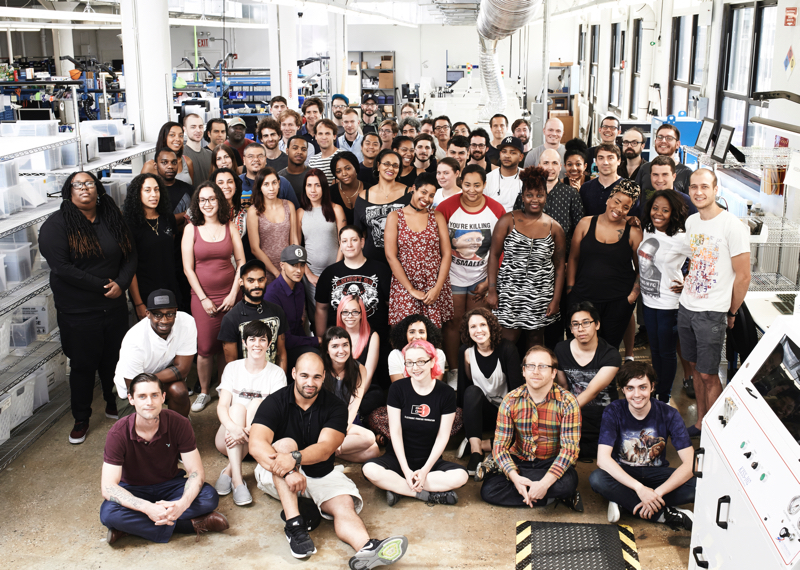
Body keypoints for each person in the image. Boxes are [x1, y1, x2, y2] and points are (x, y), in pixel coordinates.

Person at [249, 352, 408, 566]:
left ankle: (367, 548)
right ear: (294, 374)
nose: (310, 383)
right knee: (285, 444)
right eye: (304, 376)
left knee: (344, 505)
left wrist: (296, 458)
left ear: (324, 377)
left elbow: (325, 449)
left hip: (320, 470)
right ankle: (295, 524)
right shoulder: (275, 401)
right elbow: (256, 445)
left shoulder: (335, 407)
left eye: (316, 377)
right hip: (275, 473)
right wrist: (288, 469)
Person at [40, 171, 136, 444]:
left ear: (98, 189)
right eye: (78, 184)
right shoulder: (56, 226)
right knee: (82, 366)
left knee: (114, 359)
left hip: (114, 305)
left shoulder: (112, 218)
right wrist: (103, 286)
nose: (85, 188)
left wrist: (122, 283)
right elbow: (62, 268)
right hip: (78, 311)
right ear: (69, 191)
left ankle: (112, 401)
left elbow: (131, 254)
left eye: (90, 183)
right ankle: (81, 417)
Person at [100, 374, 229, 545]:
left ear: (163, 397)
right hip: (134, 489)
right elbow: (108, 487)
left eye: (154, 395)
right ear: (131, 399)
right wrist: (147, 508)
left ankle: (128, 528)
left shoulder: (179, 423)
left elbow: (196, 472)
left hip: (170, 485)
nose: (149, 402)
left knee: (208, 496)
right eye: (142, 396)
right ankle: (190, 526)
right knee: (109, 513)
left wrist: (182, 504)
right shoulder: (118, 433)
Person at [679, 169, 750, 437]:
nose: (698, 192)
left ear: (716, 188)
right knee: (696, 368)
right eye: (694, 187)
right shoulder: (692, 222)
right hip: (687, 307)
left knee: (709, 374)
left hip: (712, 312)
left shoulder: (732, 226)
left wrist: (731, 311)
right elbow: (694, 260)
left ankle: (717, 430)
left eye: (704, 187)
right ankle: (701, 422)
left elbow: (743, 276)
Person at [589, 361, 695, 530]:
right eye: (630, 388)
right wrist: (639, 489)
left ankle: (625, 502)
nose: (637, 394)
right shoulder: (613, 410)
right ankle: (662, 514)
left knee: (697, 486)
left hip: (656, 474)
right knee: (597, 478)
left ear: (652, 387)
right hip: (625, 473)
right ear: (623, 389)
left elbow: (691, 463)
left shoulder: (669, 414)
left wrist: (656, 493)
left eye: (642, 387)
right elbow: (602, 460)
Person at [363, 339, 469, 506]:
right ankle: (424, 494)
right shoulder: (397, 389)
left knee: (461, 476)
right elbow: (395, 432)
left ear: (432, 361)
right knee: (369, 469)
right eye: (410, 363)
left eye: (421, 361)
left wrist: (425, 470)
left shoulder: (446, 393)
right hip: (398, 460)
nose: (415, 368)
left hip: (430, 463)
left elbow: (443, 436)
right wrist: (405, 470)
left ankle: (396, 488)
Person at [479, 345, 582, 512]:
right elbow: (499, 446)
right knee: (488, 491)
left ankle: (543, 491)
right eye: (531, 366)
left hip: (551, 463)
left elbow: (569, 450)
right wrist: (515, 477)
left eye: (543, 366)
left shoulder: (568, 402)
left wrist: (544, 483)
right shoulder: (510, 400)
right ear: (524, 372)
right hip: (521, 461)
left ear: (553, 373)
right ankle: (549, 497)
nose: (536, 371)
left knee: (568, 482)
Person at [182, 181, 246, 412]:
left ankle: (224, 388)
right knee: (206, 347)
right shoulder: (191, 228)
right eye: (202, 200)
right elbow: (188, 268)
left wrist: (233, 294)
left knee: (227, 344)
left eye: (212, 199)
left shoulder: (229, 226)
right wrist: (203, 298)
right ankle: (203, 392)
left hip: (230, 296)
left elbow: (241, 262)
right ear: (197, 204)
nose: (207, 204)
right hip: (203, 297)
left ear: (219, 201)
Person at [436, 165, 505, 376]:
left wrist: (490, 282)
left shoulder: (496, 209)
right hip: (453, 276)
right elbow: (438, 243)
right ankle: (455, 372)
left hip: (482, 277)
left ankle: (475, 371)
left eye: (477, 185)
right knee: (453, 324)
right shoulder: (446, 207)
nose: (472, 190)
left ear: (485, 185)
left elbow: (500, 249)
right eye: (467, 185)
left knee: (477, 323)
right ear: (460, 183)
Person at [488, 167, 565, 349]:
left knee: (536, 341)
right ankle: (506, 377)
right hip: (509, 293)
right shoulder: (507, 221)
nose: (534, 200)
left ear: (546, 197)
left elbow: (560, 267)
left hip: (540, 295)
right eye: (529, 195)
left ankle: (531, 376)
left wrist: (555, 300)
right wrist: (492, 290)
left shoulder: (555, 228)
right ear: (522, 197)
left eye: (539, 195)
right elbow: (494, 256)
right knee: (506, 342)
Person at [215, 320, 287, 506]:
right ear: (244, 342)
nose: (257, 344)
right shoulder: (232, 368)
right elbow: (222, 406)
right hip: (229, 439)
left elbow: (277, 414)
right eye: (252, 339)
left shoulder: (277, 373)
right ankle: (238, 480)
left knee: (258, 404)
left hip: (259, 441)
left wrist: (248, 431)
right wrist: (235, 429)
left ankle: (231, 474)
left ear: (269, 344)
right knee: (237, 408)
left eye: (262, 340)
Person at [567, 179, 643, 350]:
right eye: (616, 201)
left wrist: (630, 298)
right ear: (608, 199)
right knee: (581, 346)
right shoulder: (585, 223)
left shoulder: (634, 231)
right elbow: (573, 258)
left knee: (608, 349)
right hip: (583, 296)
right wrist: (570, 290)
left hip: (617, 301)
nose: (619, 209)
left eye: (626, 207)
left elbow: (641, 270)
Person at [456, 308, 523, 475]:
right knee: (471, 392)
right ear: (467, 330)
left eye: (482, 325)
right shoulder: (466, 352)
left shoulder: (507, 349)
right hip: (482, 413)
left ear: (491, 326)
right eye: (473, 327)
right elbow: (464, 389)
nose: (478, 330)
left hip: (506, 414)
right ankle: (476, 453)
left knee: (525, 441)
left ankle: (477, 443)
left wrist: (515, 424)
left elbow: (518, 390)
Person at [638, 190, 689, 403]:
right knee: (655, 349)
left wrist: (688, 282)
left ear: (673, 213)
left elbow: (707, 260)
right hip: (648, 301)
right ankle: (657, 387)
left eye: (665, 210)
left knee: (667, 352)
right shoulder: (648, 230)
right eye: (655, 208)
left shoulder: (681, 238)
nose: (658, 213)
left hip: (670, 303)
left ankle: (664, 396)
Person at [114, 289, 196, 419]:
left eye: (170, 314)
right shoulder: (134, 339)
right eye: (157, 314)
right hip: (133, 388)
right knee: (139, 434)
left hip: (161, 379)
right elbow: (134, 385)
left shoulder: (187, 322)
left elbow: (182, 370)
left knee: (179, 391)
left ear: (176, 311)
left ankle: (178, 427)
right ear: (147, 314)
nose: (164, 320)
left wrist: (147, 378)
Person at [385, 174, 454, 328]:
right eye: (423, 192)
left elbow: (447, 254)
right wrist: (410, 289)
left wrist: (437, 288)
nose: (427, 198)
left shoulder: (437, 216)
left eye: (431, 195)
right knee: (406, 332)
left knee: (433, 333)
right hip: (405, 283)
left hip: (433, 283)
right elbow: (391, 256)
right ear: (413, 189)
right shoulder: (395, 216)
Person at [555, 302, 622, 458]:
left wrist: (561, 414)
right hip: (575, 416)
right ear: (571, 329)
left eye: (586, 323)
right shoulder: (561, 350)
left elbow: (592, 391)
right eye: (575, 324)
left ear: (597, 325)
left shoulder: (610, 355)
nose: (580, 328)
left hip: (603, 416)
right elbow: (563, 386)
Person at [123, 174, 181, 320]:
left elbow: (170, 251)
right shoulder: (129, 225)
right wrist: (138, 303)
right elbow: (130, 267)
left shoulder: (167, 218)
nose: (154, 195)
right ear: (137, 194)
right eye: (147, 190)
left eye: (157, 190)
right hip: (145, 292)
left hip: (171, 287)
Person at [321, 327, 381, 462]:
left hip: (347, 420)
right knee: (369, 438)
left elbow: (354, 406)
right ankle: (326, 449)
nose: (341, 350)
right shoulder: (320, 367)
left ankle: (325, 452)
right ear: (327, 349)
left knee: (374, 451)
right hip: (323, 422)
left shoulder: (359, 369)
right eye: (335, 346)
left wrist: (340, 432)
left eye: (345, 345)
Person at [219, 259, 288, 369]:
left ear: (265, 280)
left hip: (273, 380)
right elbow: (231, 365)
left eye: (260, 280)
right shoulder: (231, 318)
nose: (257, 285)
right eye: (251, 281)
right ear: (241, 282)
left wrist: (281, 382)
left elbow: (281, 353)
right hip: (245, 383)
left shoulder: (277, 311)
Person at [263, 246, 322, 367]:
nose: (299, 270)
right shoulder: (271, 295)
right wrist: (317, 341)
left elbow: (297, 326)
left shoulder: (299, 287)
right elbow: (284, 339)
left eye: (302, 265)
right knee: (315, 356)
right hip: (279, 351)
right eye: (293, 265)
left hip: (294, 344)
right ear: (282, 265)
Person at [353, 149, 412, 265]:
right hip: (372, 262)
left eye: (395, 165)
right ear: (378, 165)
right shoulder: (364, 196)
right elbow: (359, 233)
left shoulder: (410, 194)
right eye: (387, 164)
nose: (391, 168)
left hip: (404, 261)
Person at [298, 169, 346, 305]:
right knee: (316, 313)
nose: (313, 190)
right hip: (311, 274)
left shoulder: (336, 209)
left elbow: (343, 242)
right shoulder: (300, 213)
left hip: (335, 270)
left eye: (317, 185)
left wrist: (336, 271)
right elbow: (296, 245)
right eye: (309, 185)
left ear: (324, 187)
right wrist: (308, 274)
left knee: (337, 310)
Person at [247, 167, 299, 286]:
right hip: (266, 270)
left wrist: (293, 266)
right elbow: (255, 248)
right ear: (260, 187)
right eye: (266, 184)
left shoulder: (289, 205)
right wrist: (277, 273)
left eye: (274, 183)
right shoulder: (253, 211)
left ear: (279, 183)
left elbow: (294, 240)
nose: (271, 188)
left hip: (289, 267)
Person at [539, 148, 584, 257]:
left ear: (560, 167)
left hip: (563, 257)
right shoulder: (528, 193)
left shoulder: (571, 194)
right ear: (539, 166)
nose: (550, 167)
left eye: (554, 163)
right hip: (532, 258)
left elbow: (580, 230)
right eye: (546, 163)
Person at [579, 143, 642, 218]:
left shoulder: (629, 189)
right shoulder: (585, 188)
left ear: (619, 161)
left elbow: (632, 220)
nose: (605, 162)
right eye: (601, 158)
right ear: (596, 161)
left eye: (610, 158)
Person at [635, 124, 693, 195]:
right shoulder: (644, 168)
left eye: (669, 138)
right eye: (660, 137)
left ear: (677, 144)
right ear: (655, 141)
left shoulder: (686, 173)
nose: (663, 141)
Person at [387, 314, 448, 383]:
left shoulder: (438, 354)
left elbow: (435, 385)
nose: (417, 336)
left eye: (421, 332)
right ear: (404, 334)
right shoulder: (395, 355)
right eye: (412, 332)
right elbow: (399, 387)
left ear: (428, 334)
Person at [336, 295, 380, 385]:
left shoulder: (373, 336)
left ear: (361, 314)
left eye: (355, 312)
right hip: (340, 388)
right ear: (340, 314)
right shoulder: (333, 336)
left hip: (364, 388)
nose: (350, 316)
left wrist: (355, 399)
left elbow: (367, 375)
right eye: (345, 312)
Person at [213, 167, 251, 260]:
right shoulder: (206, 213)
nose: (226, 186)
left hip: (240, 267)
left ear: (236, 186)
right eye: (220, 183)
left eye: (230, 182)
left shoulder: (246, 214)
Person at [155, 148, 193, 231]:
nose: (170, 166)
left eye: (174, 162)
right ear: (156, 165)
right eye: (164, 162)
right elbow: (158, 222)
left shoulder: (189, 189)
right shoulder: (152, 192)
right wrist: (186, 214)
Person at [484, 136, 524, 212]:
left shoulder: (528, 177)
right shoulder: (488, 179)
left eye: (512, 152)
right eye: (504, 151)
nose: (507, 155)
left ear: (521, 157)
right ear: (500, 154)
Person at [331, 152, 363, 225]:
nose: (344, 174)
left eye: (348, 168)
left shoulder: (370, 190)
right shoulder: (329, 193)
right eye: (339, 171)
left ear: (356, 167)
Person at [307, 119, 340, 185]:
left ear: (334, 136)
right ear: (316, 137)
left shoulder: (343, 157)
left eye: (327, 133)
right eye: (320, 133)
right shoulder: (312, 161)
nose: (324, 137)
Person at [183, 113, 212, 185]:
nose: (198, 130)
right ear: (185, 129)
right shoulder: (180, 155)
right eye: (193, 127)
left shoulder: (210, 154)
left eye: (201, 127)